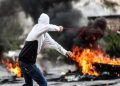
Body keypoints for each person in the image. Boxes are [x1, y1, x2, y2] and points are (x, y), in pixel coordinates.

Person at [18, 13, 72, 86]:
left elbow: (54, 44)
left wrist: (65, 52)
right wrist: (59, 28)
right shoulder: (37, 28)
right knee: (43, 83)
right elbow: (47, 27)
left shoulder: (43, 33)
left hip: (24, 61)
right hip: (27, 62)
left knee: (29, 85)